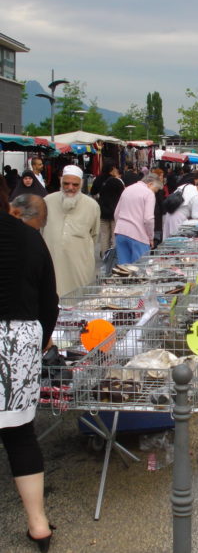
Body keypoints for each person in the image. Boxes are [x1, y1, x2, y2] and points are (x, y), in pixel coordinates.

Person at [0, 194, 59, 552]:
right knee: (20, 434)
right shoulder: (29, 238)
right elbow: (48, 301)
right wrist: (39, 343)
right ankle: (38, 525)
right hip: (18, 339)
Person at [43, 165, 100, 296]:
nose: (70, 188)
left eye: (75, 184)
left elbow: (94, 235)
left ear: (81, 184)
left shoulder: (92, 206)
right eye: (66, 183)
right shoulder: (47, 202)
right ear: (60, 181)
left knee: (78, 302)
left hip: (79, 266)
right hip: (52, 263)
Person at [114, 174, 163, 264]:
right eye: (155, 190)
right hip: (139, 235)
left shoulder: (127, 189)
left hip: (121, 232)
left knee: (124, 269)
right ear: (150, 184)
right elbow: (148, 219)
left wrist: (119, 228)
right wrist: (151, 237)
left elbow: (116, 213)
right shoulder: (148, 193)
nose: (155, 193)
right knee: (140, 270)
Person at [97, 165, 125, 256]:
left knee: (104, 235)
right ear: (111, 171)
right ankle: (113, 256)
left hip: (103, 211)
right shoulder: (118, 182)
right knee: (114, 235)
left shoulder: (101, 180)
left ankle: (105, 255)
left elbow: (95, 192)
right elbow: (123, 196)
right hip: (115, 211)